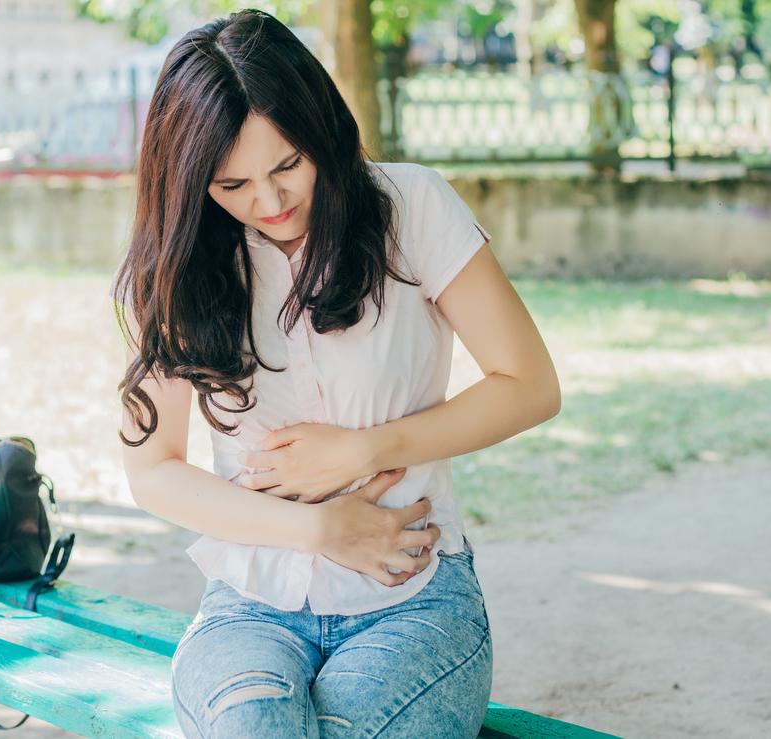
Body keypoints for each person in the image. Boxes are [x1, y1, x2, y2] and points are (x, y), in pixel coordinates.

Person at [109, 9, 561, 738]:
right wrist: (317, 527)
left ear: (320, 127)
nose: (270, 202)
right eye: (233, 184)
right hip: (249, 605)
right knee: (254, 724)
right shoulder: (185, 261)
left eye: (288, 164)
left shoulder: (410, 207)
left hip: (412, 596)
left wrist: (364, 449)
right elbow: (154, 470)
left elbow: (531, 383)